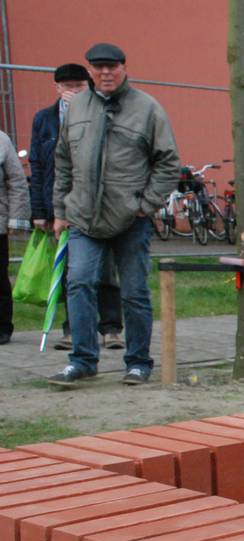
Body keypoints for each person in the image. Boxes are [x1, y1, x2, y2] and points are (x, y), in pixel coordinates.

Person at [49, 42, 179, 387]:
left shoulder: (147, 108)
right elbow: (62, 160)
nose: (106, 73)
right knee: (78, 284)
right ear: (89, 71)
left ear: (123, 68)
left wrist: (144, 205)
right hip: (83, 218)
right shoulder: (77, 107)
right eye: (98, 67)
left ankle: (138, 363)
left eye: (112, 67)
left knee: (134, 292)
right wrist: (60, 209)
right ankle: (82, 360)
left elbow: (168, 162)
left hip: (130, 219)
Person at [29, 62, 124, 351]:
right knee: (72, 273)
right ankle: (73, 329)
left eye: (79, 87)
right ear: (57, 88)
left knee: (106, 268)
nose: (73, 92)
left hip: (99, 205)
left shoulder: (102, 112)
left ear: (89, 87)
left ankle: (111, 328)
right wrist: (41, 211)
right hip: (62, 206)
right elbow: (38, 163)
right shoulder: (44, 119)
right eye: (67, 87)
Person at [0, 130, 30, 345]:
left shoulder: (1, 140)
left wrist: (16, 219)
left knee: (0, 278)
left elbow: (17, 181)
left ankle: (2, 327)